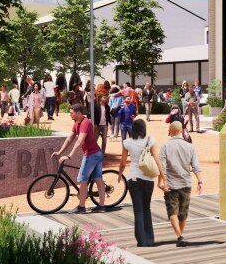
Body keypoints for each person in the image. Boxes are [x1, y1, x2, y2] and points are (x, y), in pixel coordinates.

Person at [52, 104, 108, 213]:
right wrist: (59, 152)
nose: (70, 115)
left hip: (92, 155)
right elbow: (70, 139)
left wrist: (70, 155)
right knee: (98, 179)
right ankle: (102, 206)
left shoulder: (86, 123)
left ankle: (81, 207)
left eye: (71, 113)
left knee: (82, 180)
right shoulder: (77, 123)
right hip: (96, 153)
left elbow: (80, 140)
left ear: (78, 113)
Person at [118, 118, 164, 247]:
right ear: (144, 129)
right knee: (146, 209)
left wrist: (120, 174)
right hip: (148, 178)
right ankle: (150, 239)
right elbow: (157, 160)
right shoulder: (151, 140)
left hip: (133, 177)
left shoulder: (126, 142)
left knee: (138, 211)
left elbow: (122, 163)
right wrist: (162, 177)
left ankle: (141, 241)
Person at [158, 121, 204, 247]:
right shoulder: (190, 147)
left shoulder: (165, 147)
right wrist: (200, 181)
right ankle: (180, 236)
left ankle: (179, 236)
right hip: (186, 183)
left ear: (170, 131)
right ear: (182, 131)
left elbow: (161, 167)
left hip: (171, 184)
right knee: (183, 213)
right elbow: (195, 166)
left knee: (172, 211)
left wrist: (160, 182)